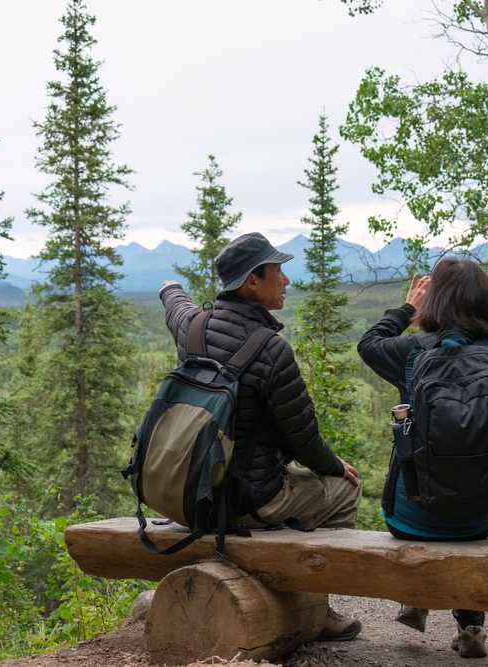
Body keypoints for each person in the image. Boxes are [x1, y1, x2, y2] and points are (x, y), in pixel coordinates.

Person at [160, 231, 363, 642]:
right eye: (279, 271)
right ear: (252, 281)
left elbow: (175, 307)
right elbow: (303, 443)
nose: (286, 280)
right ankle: (313, 605)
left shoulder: (192, 328)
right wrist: (337, 467)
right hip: (246, 500)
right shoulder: (272, 351)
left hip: (190, 493)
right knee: (346, 491)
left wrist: (170, 288)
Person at [357, 258, 488, 658]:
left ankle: (418, 594)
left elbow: (369, 343)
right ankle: (472, 626)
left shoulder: (411, 354)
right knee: (464, 522)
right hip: (480, 518)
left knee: (421, 509)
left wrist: (409, 307)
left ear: (434, 304)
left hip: (411, 518)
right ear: (486, 305)